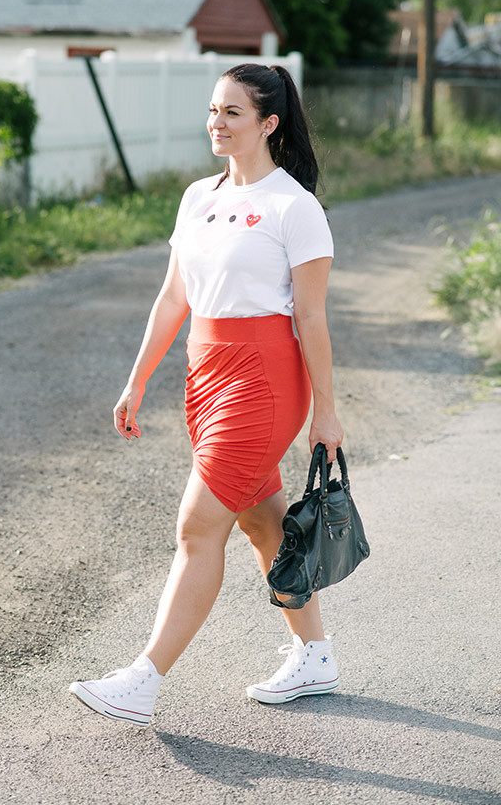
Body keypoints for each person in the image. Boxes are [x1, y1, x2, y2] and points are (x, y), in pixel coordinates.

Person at [69, 63, 344, 727]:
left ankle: (143, 677)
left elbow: (311, 317)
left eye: (232, 113)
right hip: (206, 372)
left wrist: (326, 411)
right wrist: (137, 377)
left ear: (269, 124)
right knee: (261, 521)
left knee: (197, 526)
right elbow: (173, 297)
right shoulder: (197, 197)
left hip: (265, 378)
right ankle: (316, 653)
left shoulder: (294, 208)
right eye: (213, 110)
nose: (216, 123)